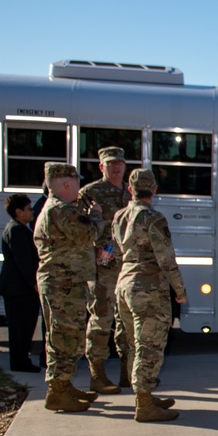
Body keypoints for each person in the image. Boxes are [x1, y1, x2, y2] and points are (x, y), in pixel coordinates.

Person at [112, 169, 188, 423]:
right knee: (150, 347)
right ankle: (144, 404)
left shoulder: (120, 216)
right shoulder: (153, 218)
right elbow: (166, 259)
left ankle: (143, 396)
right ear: (153, 189)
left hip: (124, 284)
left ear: (130, 189)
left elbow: (113, 250)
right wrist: (179, 290)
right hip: (148, 288)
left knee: (135, 344)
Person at [34, 162, 105, 412]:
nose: (79, 187)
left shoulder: (60, 208)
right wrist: (96, 213)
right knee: (64, 337)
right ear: (66, 184)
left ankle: (62, 386)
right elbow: (87, 233)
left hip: (66, 283)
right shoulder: (61, 210)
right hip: (62, 284)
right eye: (76, 182)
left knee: (66, 336)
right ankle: (58, 389)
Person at [78, 146, 132, 393]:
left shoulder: (130, 192)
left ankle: (127, 371)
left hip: (128, 266)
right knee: (101, 319)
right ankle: (96, 373)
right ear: (101, 167)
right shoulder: (90, 193)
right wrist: (99, 247)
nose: (116, 168)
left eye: (119, 163)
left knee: (127, 319)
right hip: (105, 267)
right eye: (111, 164)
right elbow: (82, 231)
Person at [0, 194, 41, 373]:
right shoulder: (16, 230)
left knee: (24, 326)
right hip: (18, 289)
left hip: (19, 288)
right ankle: (20, 361)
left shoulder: (20, 229)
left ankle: (22, 359)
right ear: (18, 211)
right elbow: (22, 261)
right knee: (20, 327)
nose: (32, 212)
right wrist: (33, 282)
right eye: (29, 209)